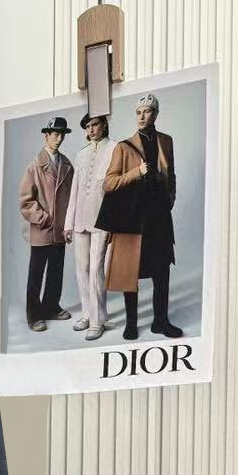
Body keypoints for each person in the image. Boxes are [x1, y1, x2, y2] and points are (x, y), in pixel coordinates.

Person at [96, 92, 182, 341]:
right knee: (130, 270)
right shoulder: (123, 147)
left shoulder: (166, 141)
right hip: (132, 218)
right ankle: (131, 324)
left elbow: (171, 175)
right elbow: (109, 183)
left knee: (162, 271)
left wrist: (169, 200)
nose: (142, 117)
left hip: (158, 217)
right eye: (138, 112)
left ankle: (161, 322)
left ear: (156, 114)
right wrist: (137, 171)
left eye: (147, 112)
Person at [18, 115, 74, 332]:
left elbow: (72, 198)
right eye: (55, 134)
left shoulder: (67, 165)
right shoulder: (34, 166)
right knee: (36, 273)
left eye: (62, 135)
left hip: (60, 230)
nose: (59, 139)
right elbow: (26, 201)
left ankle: (51, 307)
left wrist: (68, 223)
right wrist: (44, 218)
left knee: (56, 271)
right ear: (46, 136)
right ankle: (34, 315)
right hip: (42, 229)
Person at [63, 112, 115, 340]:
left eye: (94, 125)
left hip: (102, 219)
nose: (91, 130)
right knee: (82, 268)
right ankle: (87, 313)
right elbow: (74, 191)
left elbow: (117, 191)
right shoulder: (81, 154)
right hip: (80, 220)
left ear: (103, 125)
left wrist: (113, 222)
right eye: (87, 127)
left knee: (96, 269)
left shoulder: (115, 148)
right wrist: (68, 224)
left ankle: (97, 320)